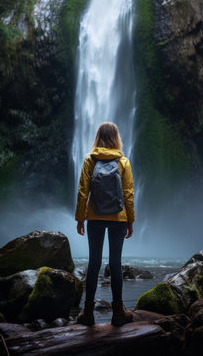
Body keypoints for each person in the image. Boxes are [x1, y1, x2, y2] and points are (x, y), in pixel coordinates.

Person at [75, 122, 135, 326]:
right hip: (118, 218)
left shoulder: (89, 161)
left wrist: (80, 218)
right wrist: (130, 221)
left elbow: (83, 191)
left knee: (94, 263)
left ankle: (88, 313)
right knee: (115, 264)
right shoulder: (123, 162)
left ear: (98, 138)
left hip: (95, 217)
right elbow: (128, 195)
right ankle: (118, 313)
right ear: (116, 138)